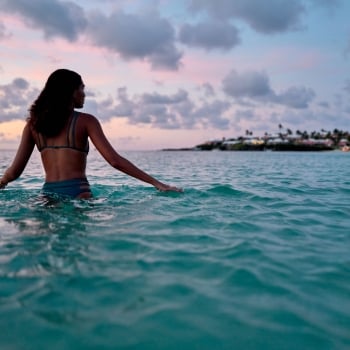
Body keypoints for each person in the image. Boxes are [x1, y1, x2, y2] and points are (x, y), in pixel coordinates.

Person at [0, 69, 182, 198]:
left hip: (47, 196)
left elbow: (14, 172)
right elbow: (115, 161)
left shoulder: (33, 125)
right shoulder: (86, 121)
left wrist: (1, 184)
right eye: (82, 88)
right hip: (79, 194)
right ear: (71, 92)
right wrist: (158, 184)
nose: (84, 94)